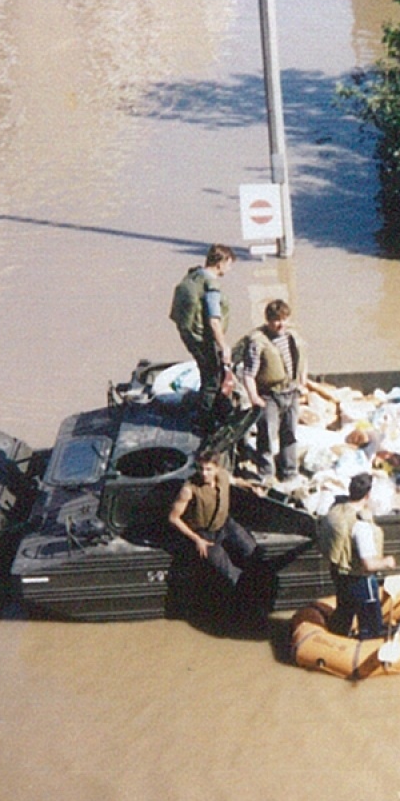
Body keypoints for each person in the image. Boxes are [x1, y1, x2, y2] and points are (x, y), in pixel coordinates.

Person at [233, 298, 307, 483]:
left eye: (283, 319)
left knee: (289, 434)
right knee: (266, 436)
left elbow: (302, 362)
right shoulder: (258, 342)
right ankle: (266, 474)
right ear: (268, 320)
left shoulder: (291, 337)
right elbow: (249, 374)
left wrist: (303, 383)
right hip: (269, 395)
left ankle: (290, 472)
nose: (280, 324)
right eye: (276, 320)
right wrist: (254, 397)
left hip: (291, 392)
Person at [316, 474, 397, 638]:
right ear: (368, 495)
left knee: (343, 615)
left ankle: (336, 646)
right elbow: (369, 565)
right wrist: (387, 562)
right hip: (360, 580)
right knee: (372, 625)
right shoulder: (361, 525)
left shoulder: (336, 511)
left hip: (339, 574)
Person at [166, 449, 258, 588]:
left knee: (251, 549)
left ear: (217, 468)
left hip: (224, 524)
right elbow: (173, 518)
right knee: (227, 571)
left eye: (208, 469)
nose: (204, 473)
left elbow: (235, 481)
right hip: (203, 533)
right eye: (201, 469)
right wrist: (197, 540)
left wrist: (251, 487)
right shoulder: (189, 489)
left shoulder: (223, 476)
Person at [169, 244, 236, 428]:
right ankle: (205, 423)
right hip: (203, 339)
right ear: (221, 263)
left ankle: (220, 410)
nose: (229, 269)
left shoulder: (194, 275)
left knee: (211, 373)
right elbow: (214, 320)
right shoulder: (211, 285)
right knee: (212, 380)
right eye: (229, 264)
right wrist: (224, 347)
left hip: (189, 335)